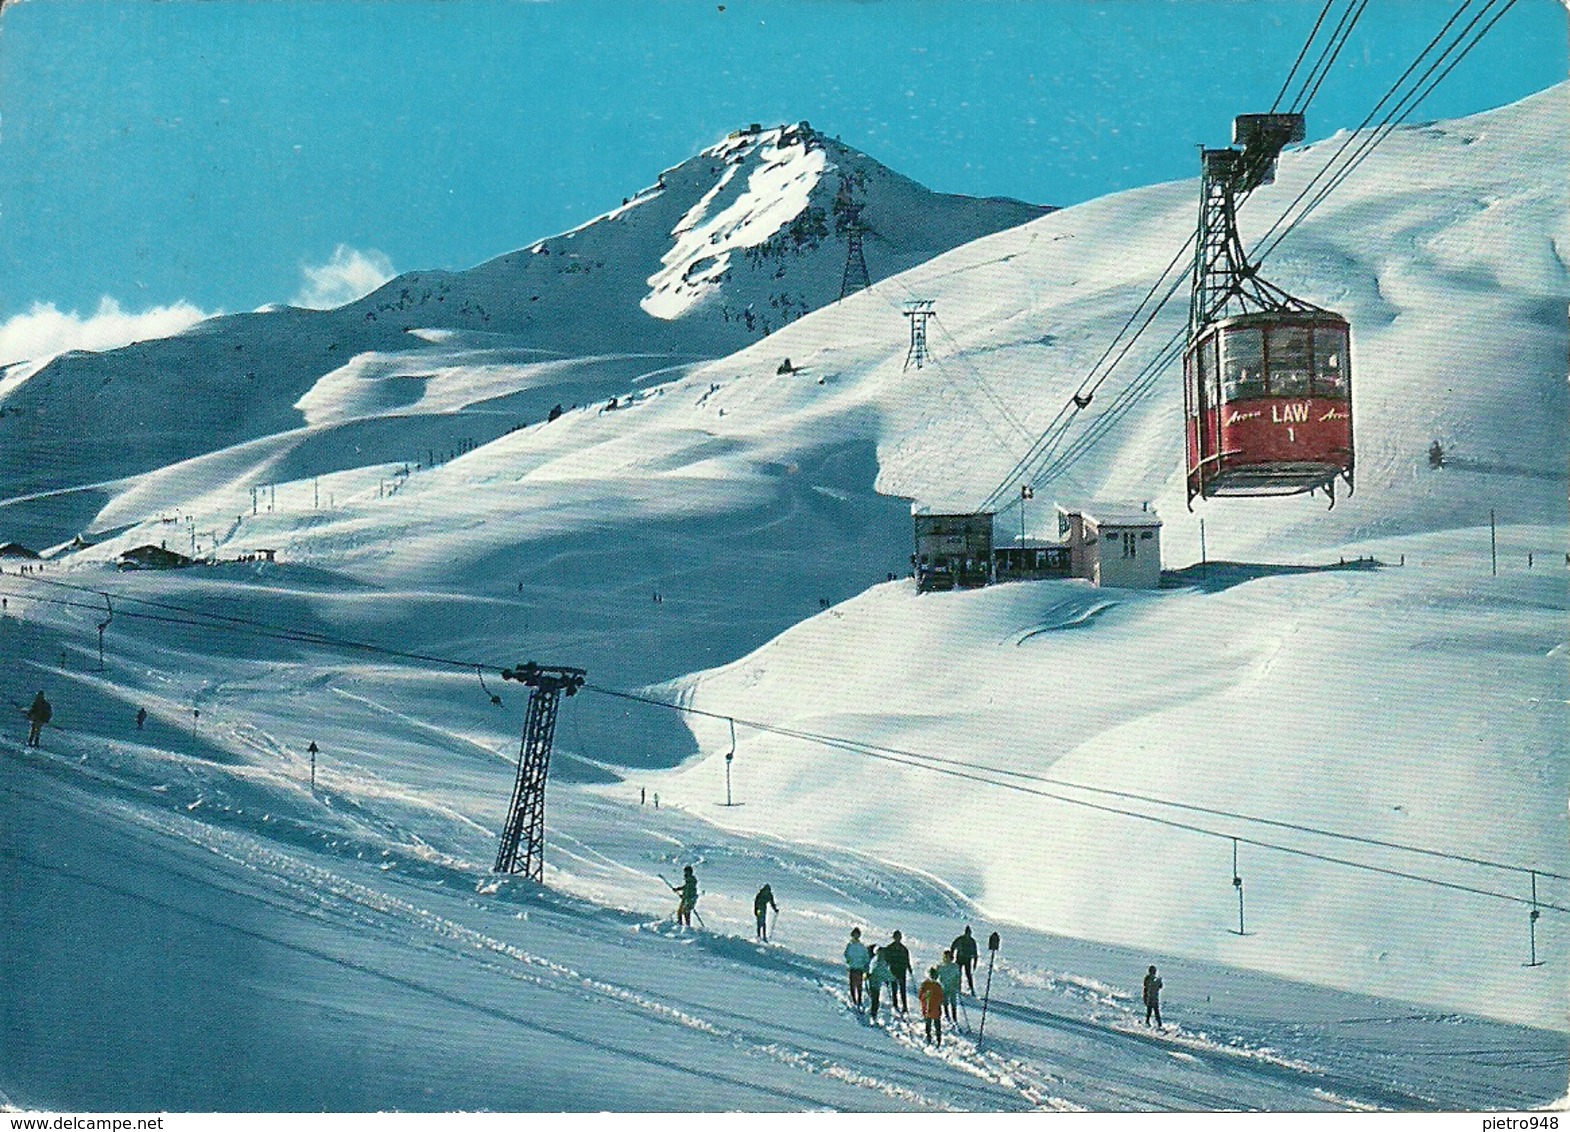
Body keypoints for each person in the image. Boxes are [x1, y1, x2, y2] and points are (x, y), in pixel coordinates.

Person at [882, 930, 912, 1014]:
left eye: (899, 937)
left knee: (903, 989)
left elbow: (907, 960)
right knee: (894, 989)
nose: (898, 939)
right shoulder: (889, 948)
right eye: (896, 937)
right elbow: (885, 959)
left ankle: (905, 1006)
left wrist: (909, 968)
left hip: (902, 971)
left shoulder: (904, 949)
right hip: (893, 970)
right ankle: (895, 1005)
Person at [843, 928, 871, 1007]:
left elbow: (866, 957)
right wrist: (849, 961)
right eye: (855, 934)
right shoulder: (850, 945)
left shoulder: (861, 946)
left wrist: (865, 965)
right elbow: (846, 954)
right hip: (852, 967)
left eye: (857, 934)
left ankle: (859, 1000)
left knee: (859, 985)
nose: (856, 936)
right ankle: (854, 999)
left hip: (859, 968)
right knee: (852, 985)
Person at [919, 967, 945, 1046]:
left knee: (936, 1025)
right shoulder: (925, 985)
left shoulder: (937, 986)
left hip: (934, 1008)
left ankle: (938, 1039)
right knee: (929, 1024)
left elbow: (941, 997)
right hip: (928, 1008)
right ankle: (929, 1038)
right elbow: (920, 996)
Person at [936, 949, 963, 1024]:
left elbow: (958, 977)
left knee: (953, 1002)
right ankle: (947, 1016)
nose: (946, 958)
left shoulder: (955, 966)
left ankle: (954, 1017)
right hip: (944, 987)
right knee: (945, 1002)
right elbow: (934, 976)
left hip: (952, 987)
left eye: (948, 957)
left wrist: (958, 986)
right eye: (945, 957)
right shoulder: (940, 966)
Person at [951, 925, 979, 993]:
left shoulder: (972, 941)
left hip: (967, 960)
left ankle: (971, 989)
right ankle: (958, 988)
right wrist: (952, 955)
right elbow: (953, 947)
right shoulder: (960, 939)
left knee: (968, 975)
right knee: (958, 974)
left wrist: (975, 963)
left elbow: (975, 953)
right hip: (959, 959)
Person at [867, 945, 891, 1022]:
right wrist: (890, 978)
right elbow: (882, 972)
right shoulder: (878, 961)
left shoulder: (876, 960)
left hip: (875, 983)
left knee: (875, 1000)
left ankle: (873, 1015)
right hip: (874, 983)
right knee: (875, 1000)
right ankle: (873, 1015)